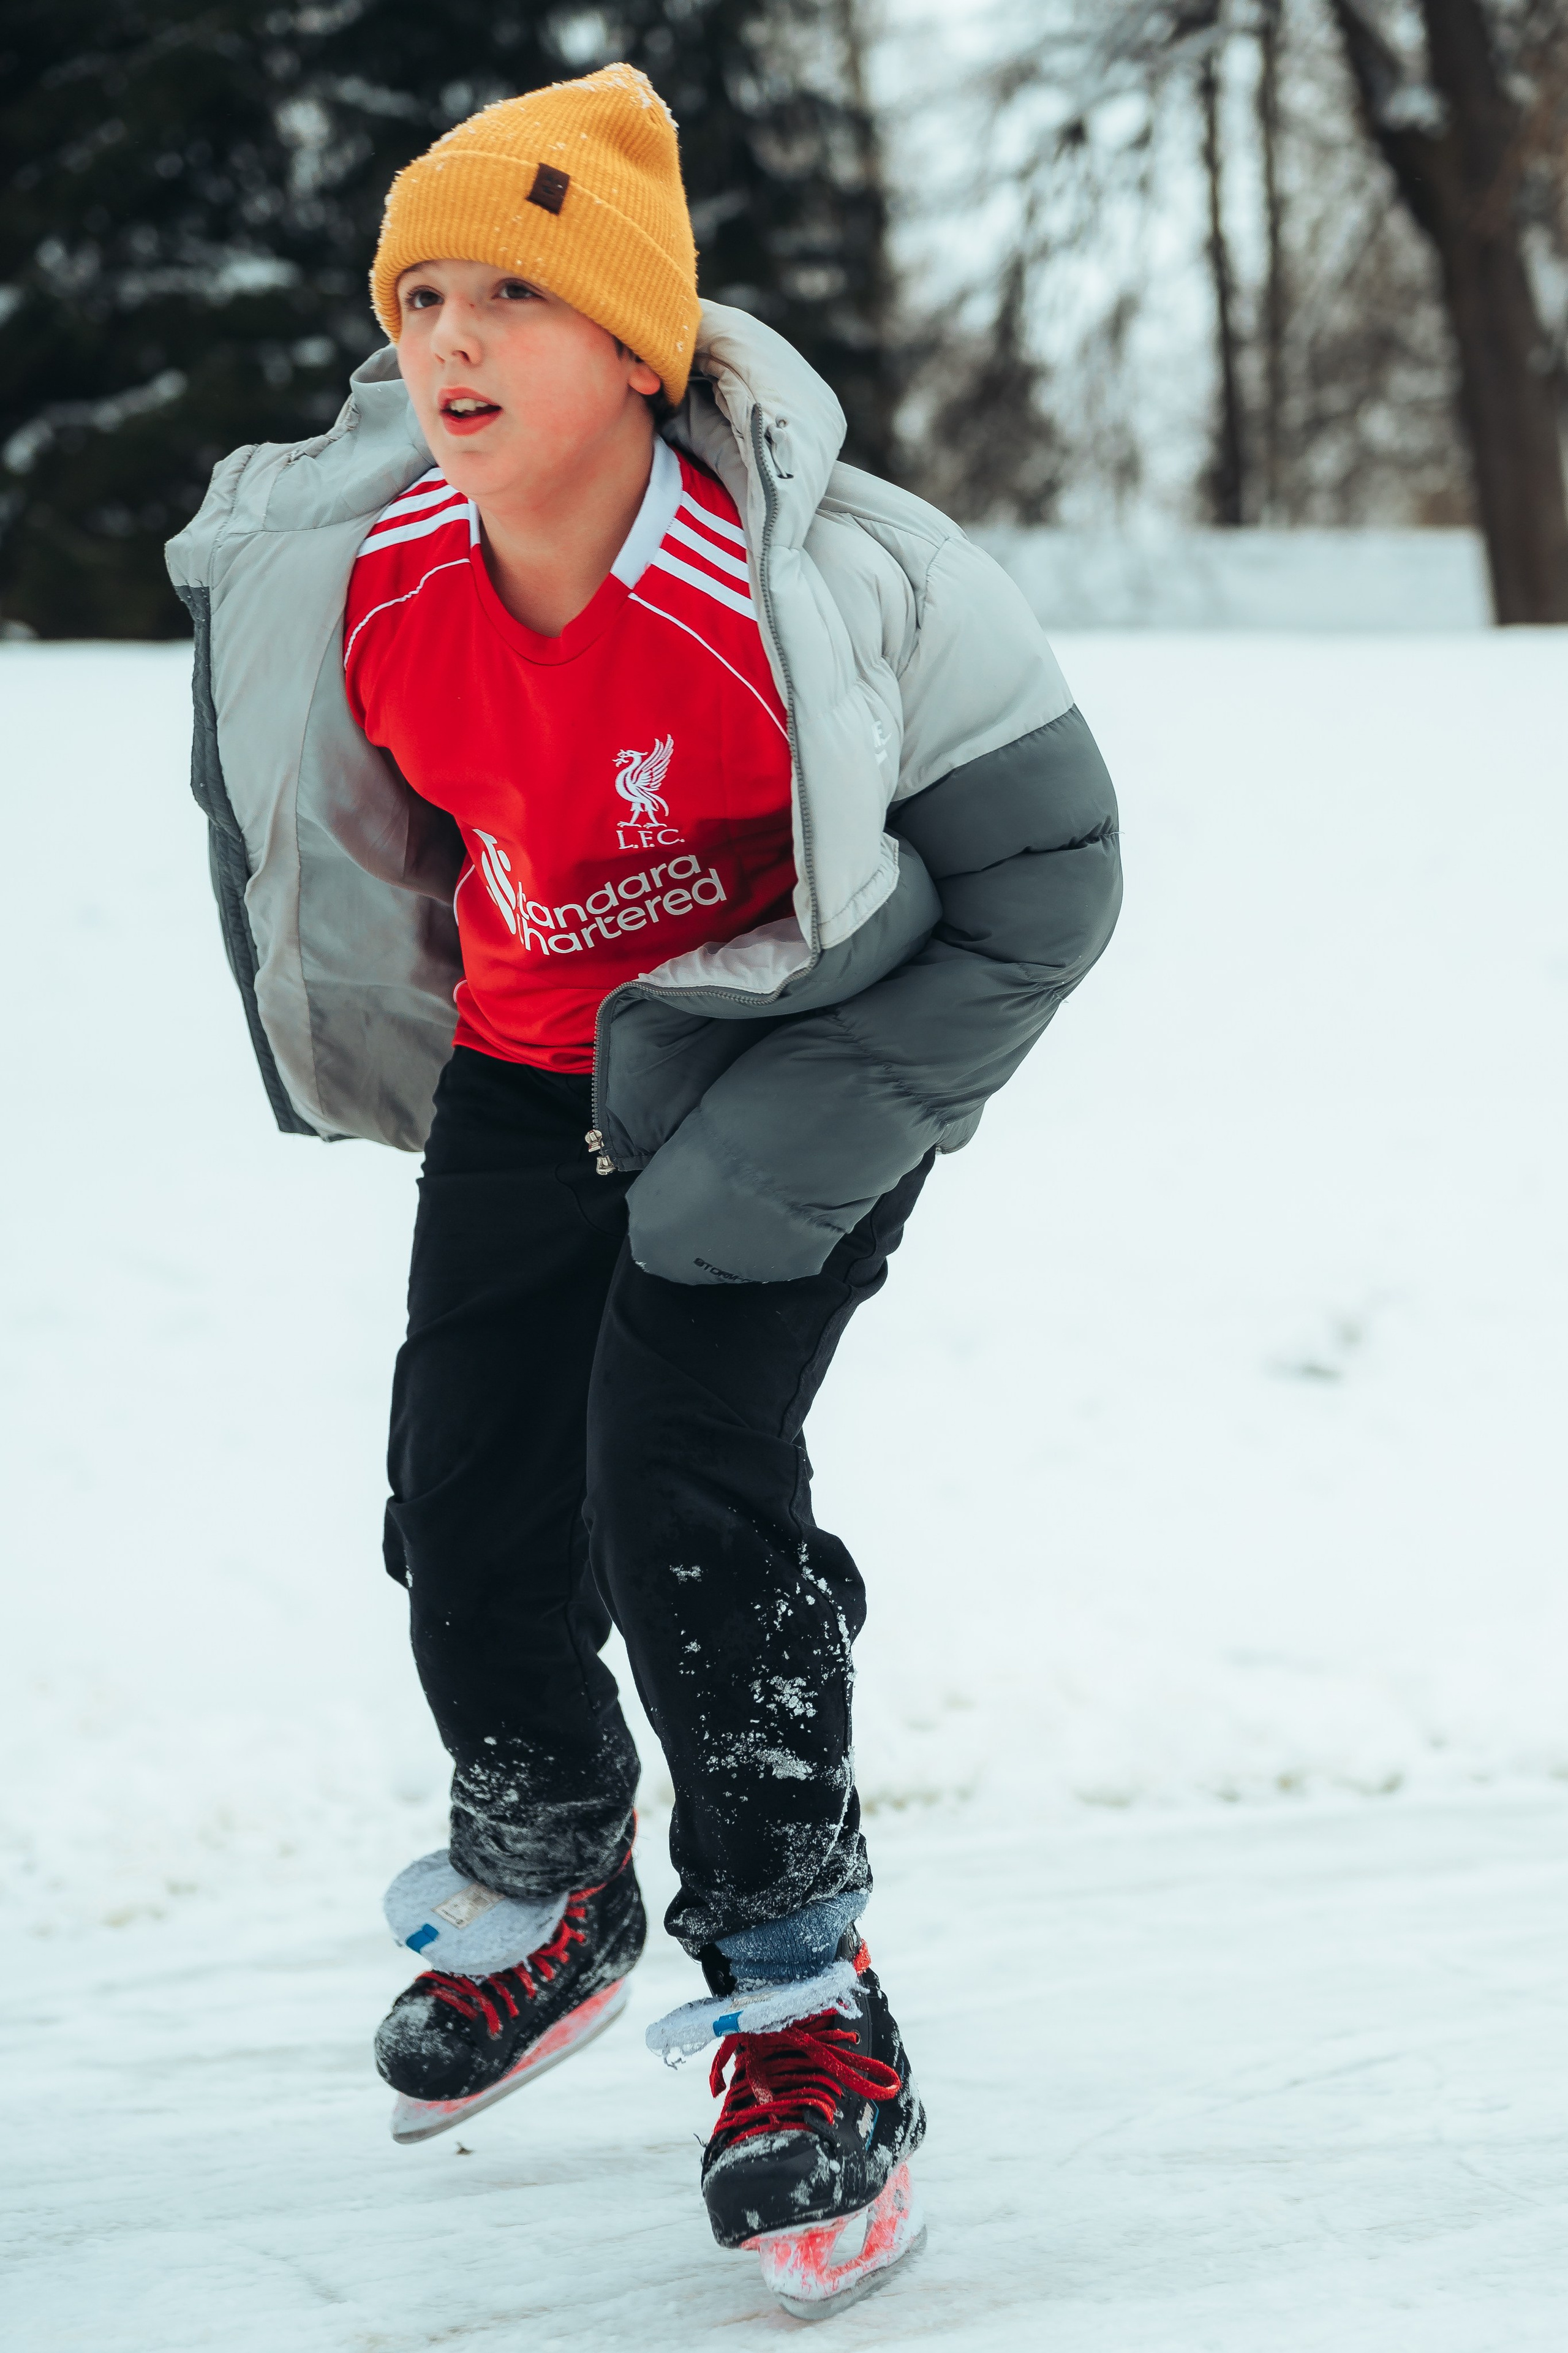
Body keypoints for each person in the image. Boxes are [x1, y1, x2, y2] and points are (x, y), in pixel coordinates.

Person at [166, 62, 1120, 2315]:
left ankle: (806, 2007)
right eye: (421, 297)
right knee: (466, 1494)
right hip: (531, 1071)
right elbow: (378, 845)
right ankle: (554, 1861)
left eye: (512, 293)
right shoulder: (373, 588)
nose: (451, 340)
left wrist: (813, 1129)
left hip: (788, 1069)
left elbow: (1049, 886)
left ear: (633, 341)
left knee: (679, 1488)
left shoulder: (823, 583)